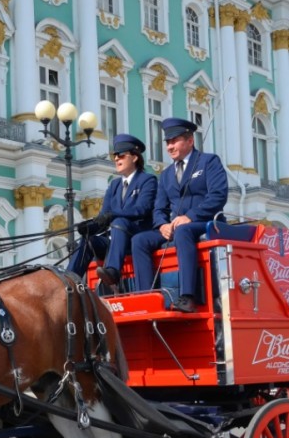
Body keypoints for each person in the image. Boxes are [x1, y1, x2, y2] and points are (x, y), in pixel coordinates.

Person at [131, 117, 228, 313]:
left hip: (205, 222)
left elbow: (218, 196)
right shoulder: (166, 174)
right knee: (139, 240)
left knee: (183, 230)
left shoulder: (208, 162)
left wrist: (190, 216)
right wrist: (161, 225)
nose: (169, 147)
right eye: (167, 142)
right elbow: (159, 208)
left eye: (174, 141)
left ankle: (187, 296)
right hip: (175, 227)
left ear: (190, 141)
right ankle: (146, 297)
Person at [68, 133, 157, 289]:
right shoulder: (114, 185)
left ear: (134, 157)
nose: (116, 159)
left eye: (121, 155)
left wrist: (114, 215)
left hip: (135, 238)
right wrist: (90, 226)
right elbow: (104, 217)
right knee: (88, 239)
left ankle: (113, 271)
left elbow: (142, 209)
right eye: (115, 155)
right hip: (113, 240)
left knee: (119, 221)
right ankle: (69, 280)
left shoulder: (147, 180)